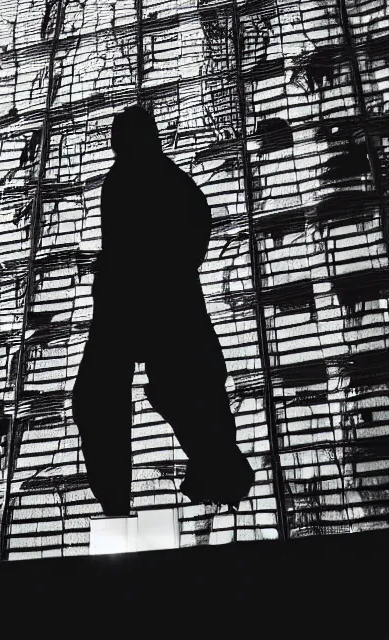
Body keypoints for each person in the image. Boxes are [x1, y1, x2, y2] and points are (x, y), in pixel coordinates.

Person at [72, 105, 254, 516]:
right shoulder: (172, 185)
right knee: (180, 394)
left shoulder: (125, 184)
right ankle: (213, 469)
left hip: (137, 305)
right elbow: (194, 234)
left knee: (107, 398)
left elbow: (126, 250)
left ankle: (118, 499)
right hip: (162, 308)